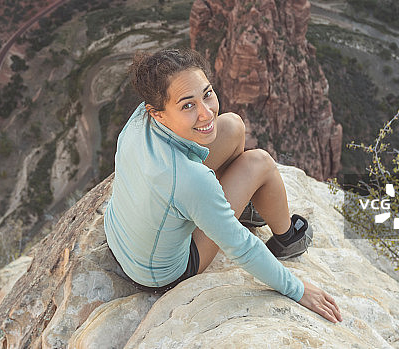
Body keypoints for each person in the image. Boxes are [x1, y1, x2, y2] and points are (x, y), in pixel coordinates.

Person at [104, 48, 342, 323]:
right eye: (187, 105)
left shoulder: (139, 119)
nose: (206, 113)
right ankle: (288, 238)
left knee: (232, 125)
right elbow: (241, 247)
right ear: (157, 114)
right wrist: (297, 289)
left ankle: (237, 207)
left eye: (207, 94)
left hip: (120, 236)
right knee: (259, 162)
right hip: (161, 274)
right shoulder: (190, 179)